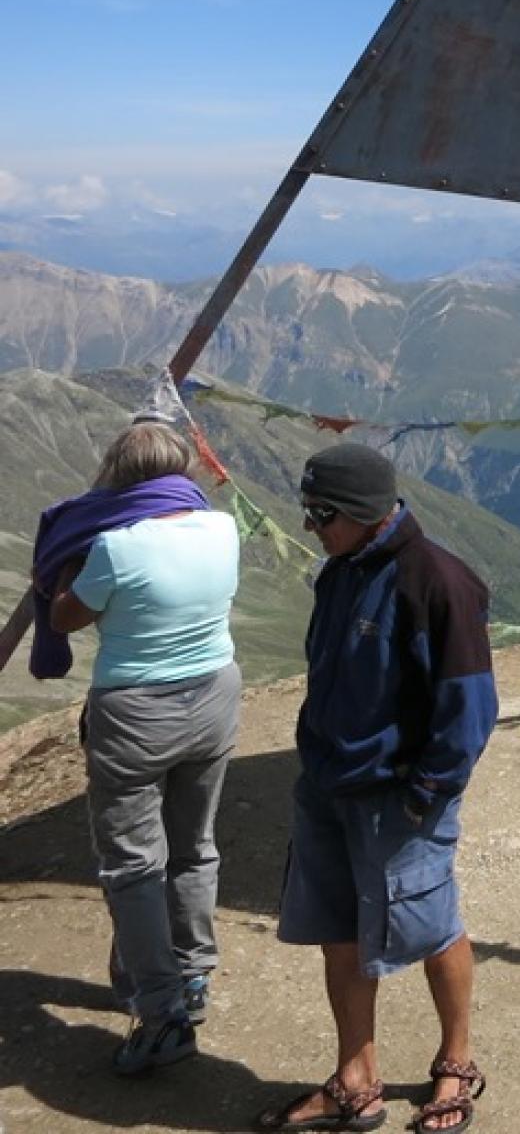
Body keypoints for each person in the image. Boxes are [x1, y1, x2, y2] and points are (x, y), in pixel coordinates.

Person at [259, 444, 498, 1134]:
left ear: (363, 511)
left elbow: (470, 708)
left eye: (322, 513)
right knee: (339, 931)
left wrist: (426, 792)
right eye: (308, 510)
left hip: (398, 797)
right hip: (328, 787)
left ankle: (456, 1062)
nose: (311, 526)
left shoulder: (438, 582)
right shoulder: (340, 572)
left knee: (432, 926)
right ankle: (355, 1080)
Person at [45, 421, 242, 1077]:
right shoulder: (223, 527)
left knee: (132, 867)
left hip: (134, 713)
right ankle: (193, 976)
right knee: (194, 846)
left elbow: (65, 616)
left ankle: (160, 1013)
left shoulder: (115, 547)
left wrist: (67, 565)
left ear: (119, 482)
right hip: (214, 697)